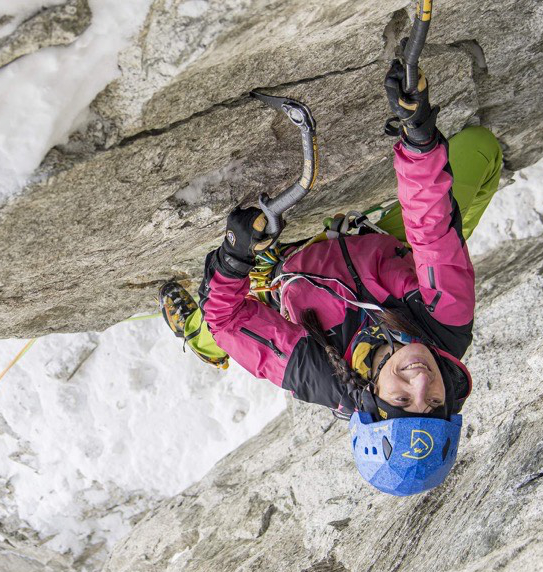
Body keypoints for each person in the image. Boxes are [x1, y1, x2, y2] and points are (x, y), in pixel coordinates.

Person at [159, 59, 503, 496]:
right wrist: (418, 138)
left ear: (371, 399)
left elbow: (229, 319)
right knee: (480, 150)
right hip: (380, 249)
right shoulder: (447, 319)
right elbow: (431, 230)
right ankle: (449, 244)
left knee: (217, 328)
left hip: (284, 281)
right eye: (434, 402)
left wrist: (233, 259)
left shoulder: (321, 375)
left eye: (402, 401)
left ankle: (197, 340)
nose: (421, 381)